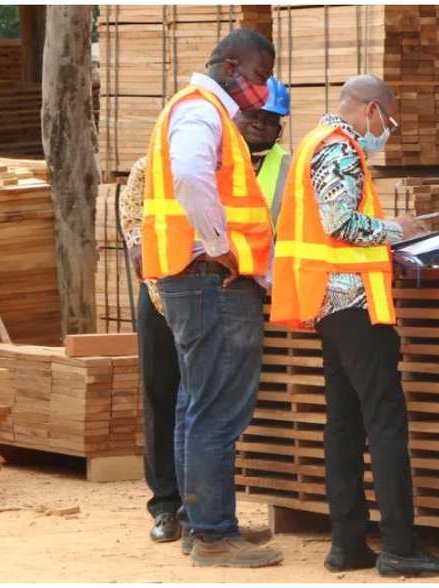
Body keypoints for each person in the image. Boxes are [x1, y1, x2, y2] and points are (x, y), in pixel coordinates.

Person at [270, 74, 439, 578]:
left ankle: (349, 543)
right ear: (371, 110)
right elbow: (340, 224)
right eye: (389, 122)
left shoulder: (313, 143)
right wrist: (399, 230)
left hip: (328, 304)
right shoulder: (338, 148)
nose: (387, 132)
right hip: (353, 304)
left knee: (344, 423)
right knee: (384, 421)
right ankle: (400, 545)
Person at [141, 28, 281, 568]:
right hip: (209, 280)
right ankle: (215, 535)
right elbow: (191, 176)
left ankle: (200, 522)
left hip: (192, 278)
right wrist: (220, 247)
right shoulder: (201, 111)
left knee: (194, 404)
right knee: (218, 408)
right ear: (230, 65)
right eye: (259, 76)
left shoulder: (200, 110)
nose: (262, 91)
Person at [119, 157, 183, 545]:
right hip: (161, 291)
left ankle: (203, 508)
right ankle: (165, 504)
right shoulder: (149, 166)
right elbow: (132, 218)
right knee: (160, 395)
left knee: (203, 404)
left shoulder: (232, 160)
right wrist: (143, 251)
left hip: (218, 292)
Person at [237, 76, 291, 226]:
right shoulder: (211, 158)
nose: (259, 125)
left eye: (269, 120)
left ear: (279, 129)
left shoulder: (291, 170)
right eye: (253, 115)